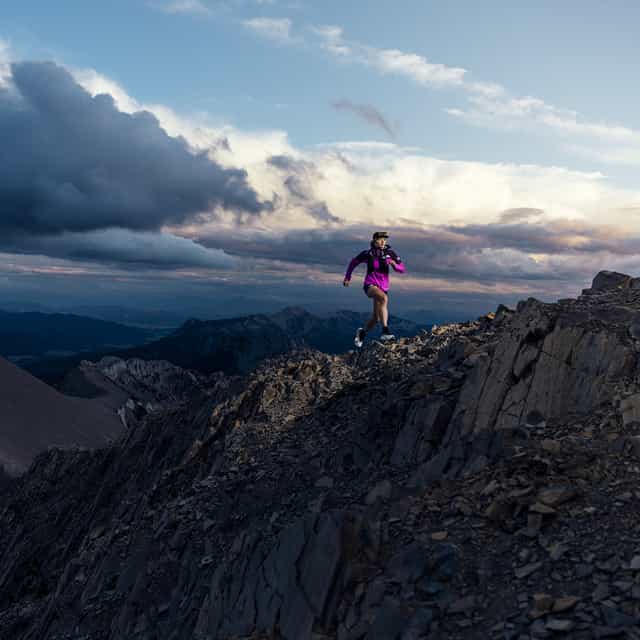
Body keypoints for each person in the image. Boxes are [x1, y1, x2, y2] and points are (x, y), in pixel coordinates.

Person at [343, 231, 406, 347]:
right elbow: (353, 263)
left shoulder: (390, 253)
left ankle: (362, 332)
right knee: (384, 298)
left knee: (376, 318)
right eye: (380, 239)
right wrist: (347, 277)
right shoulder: (368, 254)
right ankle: (385, 331)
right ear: (374, 240)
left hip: (384, 287)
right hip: (370, 285)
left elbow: (402, 269)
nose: (383, 242)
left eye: (385, 240)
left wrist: (393, 264)